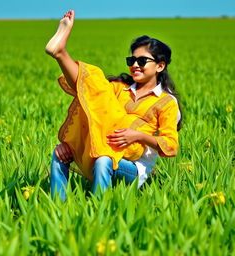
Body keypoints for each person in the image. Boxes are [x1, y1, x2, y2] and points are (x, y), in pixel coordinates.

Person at [46, 10, 181, 201]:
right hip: (101, 146)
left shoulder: (166, 102)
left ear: (160, 66)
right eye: (131, 60)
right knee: (95, 88)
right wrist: (69, 144)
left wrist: (138, 135)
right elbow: (85, 89)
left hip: (132, 166)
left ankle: (99, 210)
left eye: (142, 61)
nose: (134, 64)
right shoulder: (120, 89)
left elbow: (171, 146)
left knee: (103, 161)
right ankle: (57, 208)